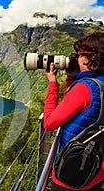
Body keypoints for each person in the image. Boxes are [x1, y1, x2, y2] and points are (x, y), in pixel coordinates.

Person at [43, 32, 104, 190]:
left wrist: (52, 84)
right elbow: (77, 109)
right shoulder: (97, 84)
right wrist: (71, 79)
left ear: (92, 57)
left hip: (72, 172)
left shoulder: (85, 88)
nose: (77, 59)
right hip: (96, 172)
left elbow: (49, 123)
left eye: (80, 55)